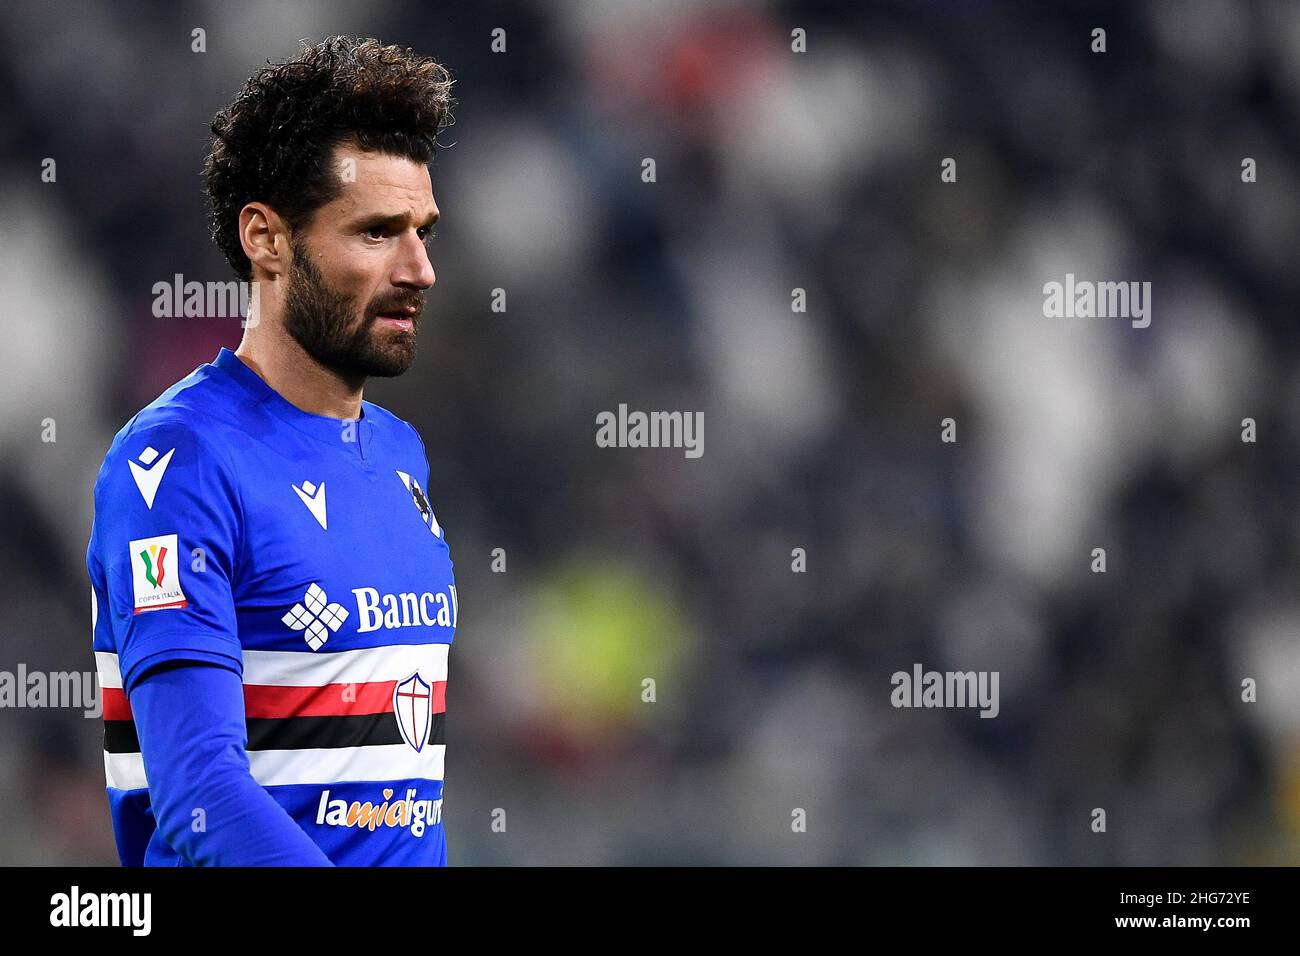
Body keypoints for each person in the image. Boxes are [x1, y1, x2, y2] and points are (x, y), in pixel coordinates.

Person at [86, 36, 458, 866]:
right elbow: (199, 798)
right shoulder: (178, 464)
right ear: (268, 240)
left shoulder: (403, 460)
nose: (421, 268)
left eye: (423, 232)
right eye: (376, 233)